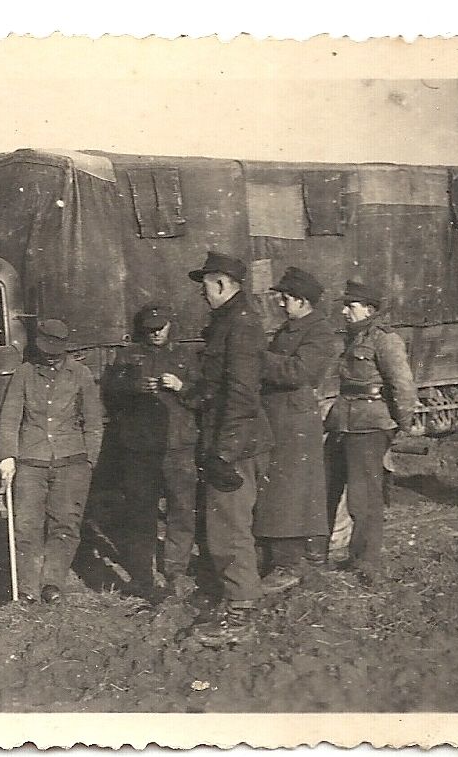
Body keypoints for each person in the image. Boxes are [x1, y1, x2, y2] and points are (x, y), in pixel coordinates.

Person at [183, 252, 274, 647]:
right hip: (228, 437)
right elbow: (216, 387)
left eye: (205, 284)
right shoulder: (227, 323)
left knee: (229, 530)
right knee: (225, 527)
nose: (202, 293)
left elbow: (242, 395)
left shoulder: (240, 325)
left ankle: (241, 613)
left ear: (221, 284)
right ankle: (235, 596)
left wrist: (225, 453)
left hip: (236, 443)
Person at [0, 319, 104, 605]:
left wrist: (88, 461)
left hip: (72, 461)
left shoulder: (80, 374)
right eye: (46, 349)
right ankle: (28, 589)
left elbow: (94, 422)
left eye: (56, 351)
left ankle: (52, 583)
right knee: (26, 526)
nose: (50, 356)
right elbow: (9, 419)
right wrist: (7, 455)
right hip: (31, 461)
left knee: (66, 526)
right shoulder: (24, 374)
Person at [324, 280, 419, 585]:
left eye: (350, 306)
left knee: (364, 499)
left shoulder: (384, 340)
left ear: (369, 309)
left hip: (370, 425)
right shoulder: (352, 338)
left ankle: (366, 563)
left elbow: (403, 386)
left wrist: (401, 427)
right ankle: (327, 556)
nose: (343, 311)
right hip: (343, 422)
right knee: (328, 487)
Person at [104, 305, 199, 603]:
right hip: (140, 449)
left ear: (172, 325)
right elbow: (109, 394)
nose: (156, 333)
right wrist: (134, 387)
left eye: (161, 327)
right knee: (140, 512)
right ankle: (142, 576)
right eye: (150, 328)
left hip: (178, 447)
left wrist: (181, 386)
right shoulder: (128, 356)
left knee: (181, 509)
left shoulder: (186, 357)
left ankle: (175, 571)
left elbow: (204, 396)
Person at [253, 267, 339, 592]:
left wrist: (258, 359)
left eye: (286, 298)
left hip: (294, 422)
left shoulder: (319, 332)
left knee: (289, 493)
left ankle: (287, 564)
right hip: (277, 418)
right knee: (274, 490)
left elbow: (299, 371)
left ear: (302, 301)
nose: (281, 304)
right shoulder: (290, 329)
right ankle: (273, 557)